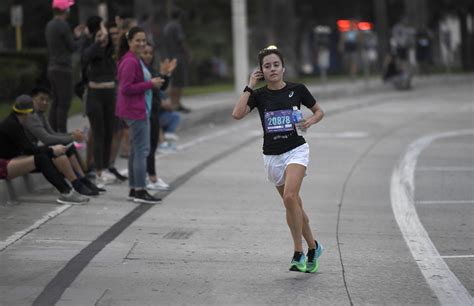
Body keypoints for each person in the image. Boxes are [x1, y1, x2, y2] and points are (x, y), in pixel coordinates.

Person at [231, 45, 324, 273]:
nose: (272, 69)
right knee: (295, 204)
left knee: (290, 197)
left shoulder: (297, 89)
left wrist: (309, 122)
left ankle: (298, 252)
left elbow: (319, 111)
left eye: (276, 65)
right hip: (272, 155)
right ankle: (314, 246)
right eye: (267, 66)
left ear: (283, 67)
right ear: (261, 70)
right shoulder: (260, 95)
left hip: (296, 150)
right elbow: (237, 114)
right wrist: (250, 86)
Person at [0, 95, 89, 205]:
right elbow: (29, 150)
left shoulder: (15, 121)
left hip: (12, 160)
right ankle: (67, 193)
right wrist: (51, 150)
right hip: (3, 165)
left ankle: (75, 186)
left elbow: (28, 149)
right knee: (41, 158)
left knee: (49, 156)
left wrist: (52, 151)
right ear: (28, 113)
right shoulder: (12, 124)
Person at [24, 87, 103, 196]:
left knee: (68, 146)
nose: (45, 102)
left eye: (47, 100)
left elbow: (52, 134)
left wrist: (71, 135)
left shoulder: (40, 115)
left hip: (31, 150)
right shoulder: (31, 116)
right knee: (61, 150)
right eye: (41, 99)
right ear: (32, 99)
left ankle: (83, 180)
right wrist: (72, 138)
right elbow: (46, 139)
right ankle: (78, 183)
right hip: (24, 154)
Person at [116, 26, 164, 204]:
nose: (142, 43)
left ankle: (134, 189)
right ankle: (140, 190)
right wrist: (150, 84)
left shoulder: (135, 59)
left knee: (137, 151)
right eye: (138, 40)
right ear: (129, 42)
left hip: (139, 109)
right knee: (142, 151)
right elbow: (126, 88)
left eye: (144, 40)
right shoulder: (130, 61)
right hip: (135, 111)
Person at [81, 16, 118, 185]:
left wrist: (105, 34)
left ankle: (104, 167)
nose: (103, 38)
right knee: (98, 133)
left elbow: (114, 41)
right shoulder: (90, 48)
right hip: (95, 94)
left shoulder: (110, 50)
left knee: (109, 132)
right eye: (99, 35)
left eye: (105, 35)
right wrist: (96, 42)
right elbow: (86, 56)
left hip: (110, 94)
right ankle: (98, 171)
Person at [45, 0, 87, 133]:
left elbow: (63, 43)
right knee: (64, 103)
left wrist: (73, 35)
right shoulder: (63, 25)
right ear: (65, 10)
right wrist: (83, 37)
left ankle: (52, 132)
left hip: (52, 67)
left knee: (56, 102)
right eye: (69, 7)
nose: (69, 10)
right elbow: (73, 47)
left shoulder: (50, 25)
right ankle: (62, 134)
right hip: (63, 68)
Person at [141, 43, 176, 191]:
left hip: (153, 110)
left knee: (153, 146)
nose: (148, 55)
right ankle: (146, 177)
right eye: (145, 53)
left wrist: (166, 74)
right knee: (144, 148)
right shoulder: (139, 69)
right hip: (143, 112)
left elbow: (161, 86)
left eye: (150, 53)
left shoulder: (152, 69)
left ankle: (152, 176)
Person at [162, 8, 192, 113]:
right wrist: (188, 53)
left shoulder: (167, 26)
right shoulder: (176, 25)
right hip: (178, 57)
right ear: (179, 16)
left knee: (173, 81)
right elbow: (181, 41)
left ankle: (173, 103)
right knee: (179, 82)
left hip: (169, 57)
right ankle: (177, 103)